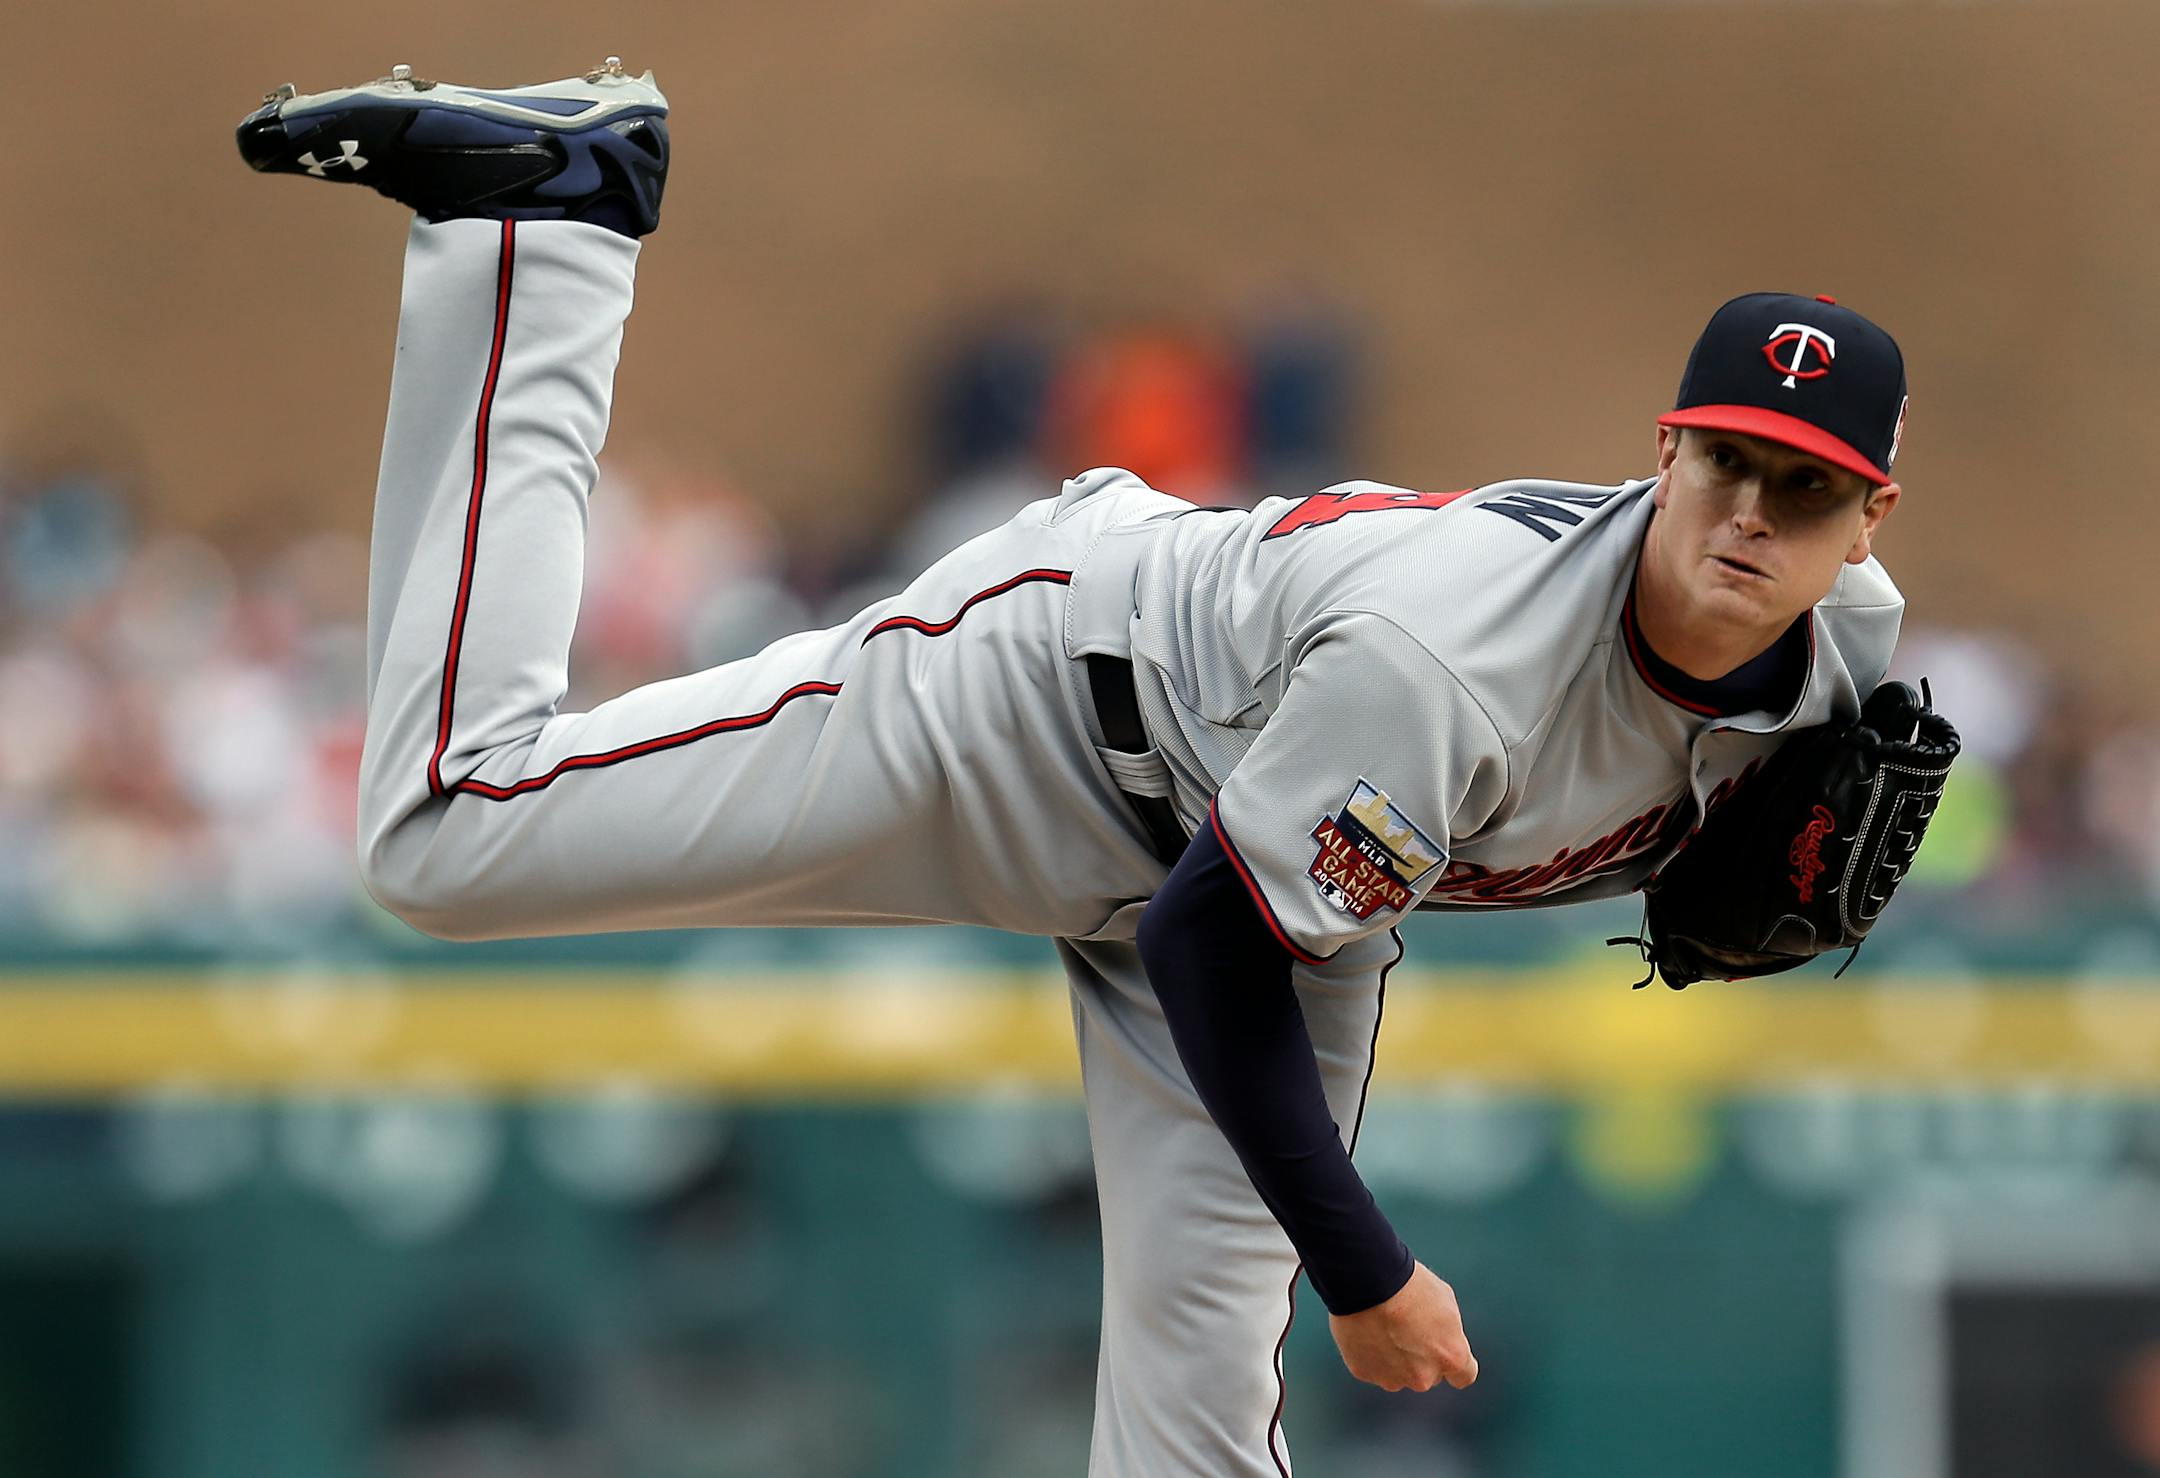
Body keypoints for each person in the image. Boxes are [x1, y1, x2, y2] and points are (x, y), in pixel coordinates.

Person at [239, 61, 1908, 1476]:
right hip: (1039, 708)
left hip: (1280, 872)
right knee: (446, 834)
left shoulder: (1853, 651)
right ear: (1665, 450)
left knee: (1190, 1418)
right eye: (1731, 467)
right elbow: (1206, 941)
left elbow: (1272, 908)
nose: (1757, 516)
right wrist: (1368, 1267)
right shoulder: (1453, 653)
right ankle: (546, 223)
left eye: (1809, 490)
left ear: (1867, 522)